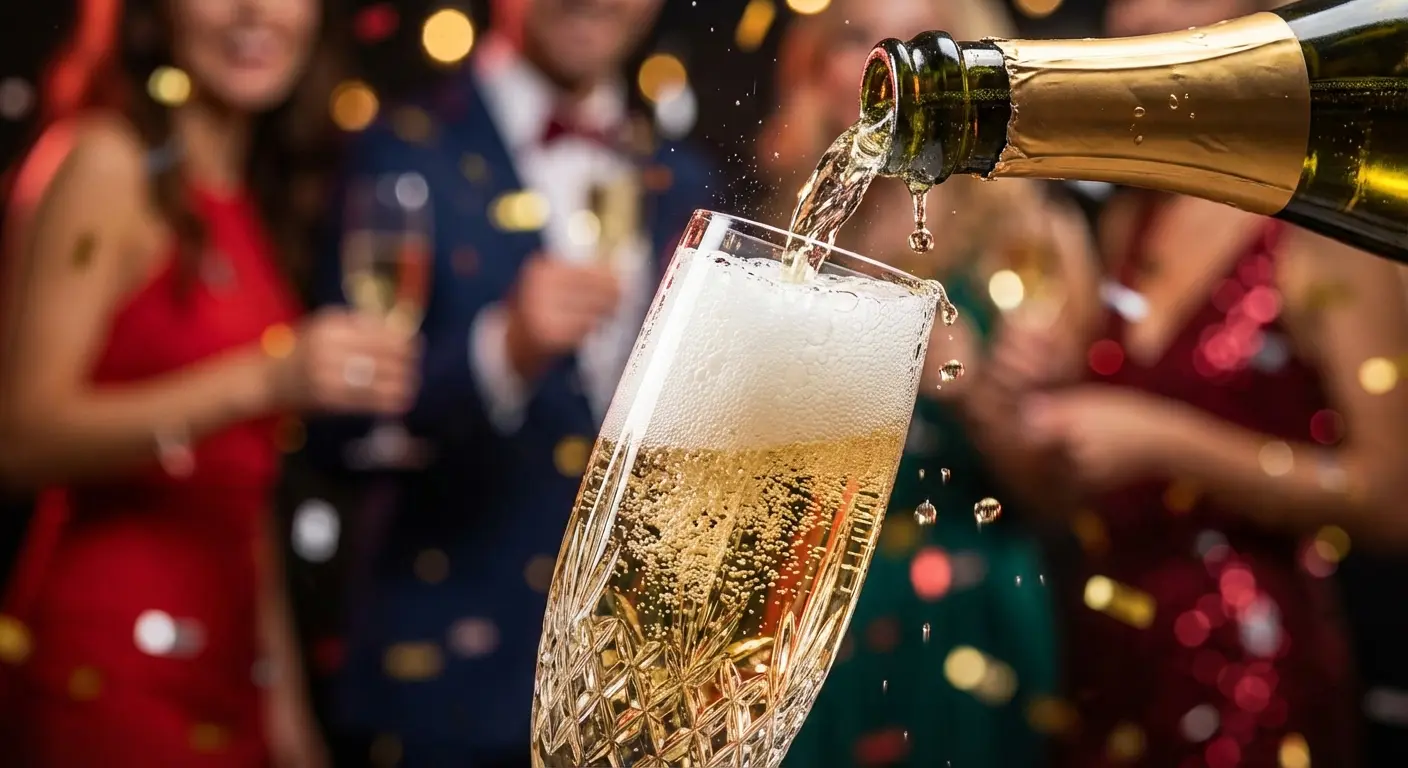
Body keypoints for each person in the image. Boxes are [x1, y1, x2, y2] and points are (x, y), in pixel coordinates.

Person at [971, 0, 1408, 762]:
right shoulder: (1122, 223)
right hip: (1100, 660)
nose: (1138, 15)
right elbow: (1064, 484)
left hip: (1251, 676)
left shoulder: (1321, 224)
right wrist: (1013, 400)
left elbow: (1390, 500)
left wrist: (1167, 444)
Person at [0, 0, 419, 765]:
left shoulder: (250, 197)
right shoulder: (102, 160)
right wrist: (267, 378)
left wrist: (288, 717)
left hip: (231, 679)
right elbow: (17, 437)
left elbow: (238, 493)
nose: (256, 12)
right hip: (111, 674)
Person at [310, 0, 712, 765]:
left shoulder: (684, 178)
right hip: (441, 693)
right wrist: (504, 351)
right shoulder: (399, 149)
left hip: (628, 701)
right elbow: (336, 434)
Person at [757, 0, 1098, 765]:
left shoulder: (1034, 240)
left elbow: (1063, 495)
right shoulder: (794, 221)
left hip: (964, 616)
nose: (892, 73)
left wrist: (979, 394)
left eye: (921, 47)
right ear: (817, 62)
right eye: (857, 41)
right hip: (805, 606)